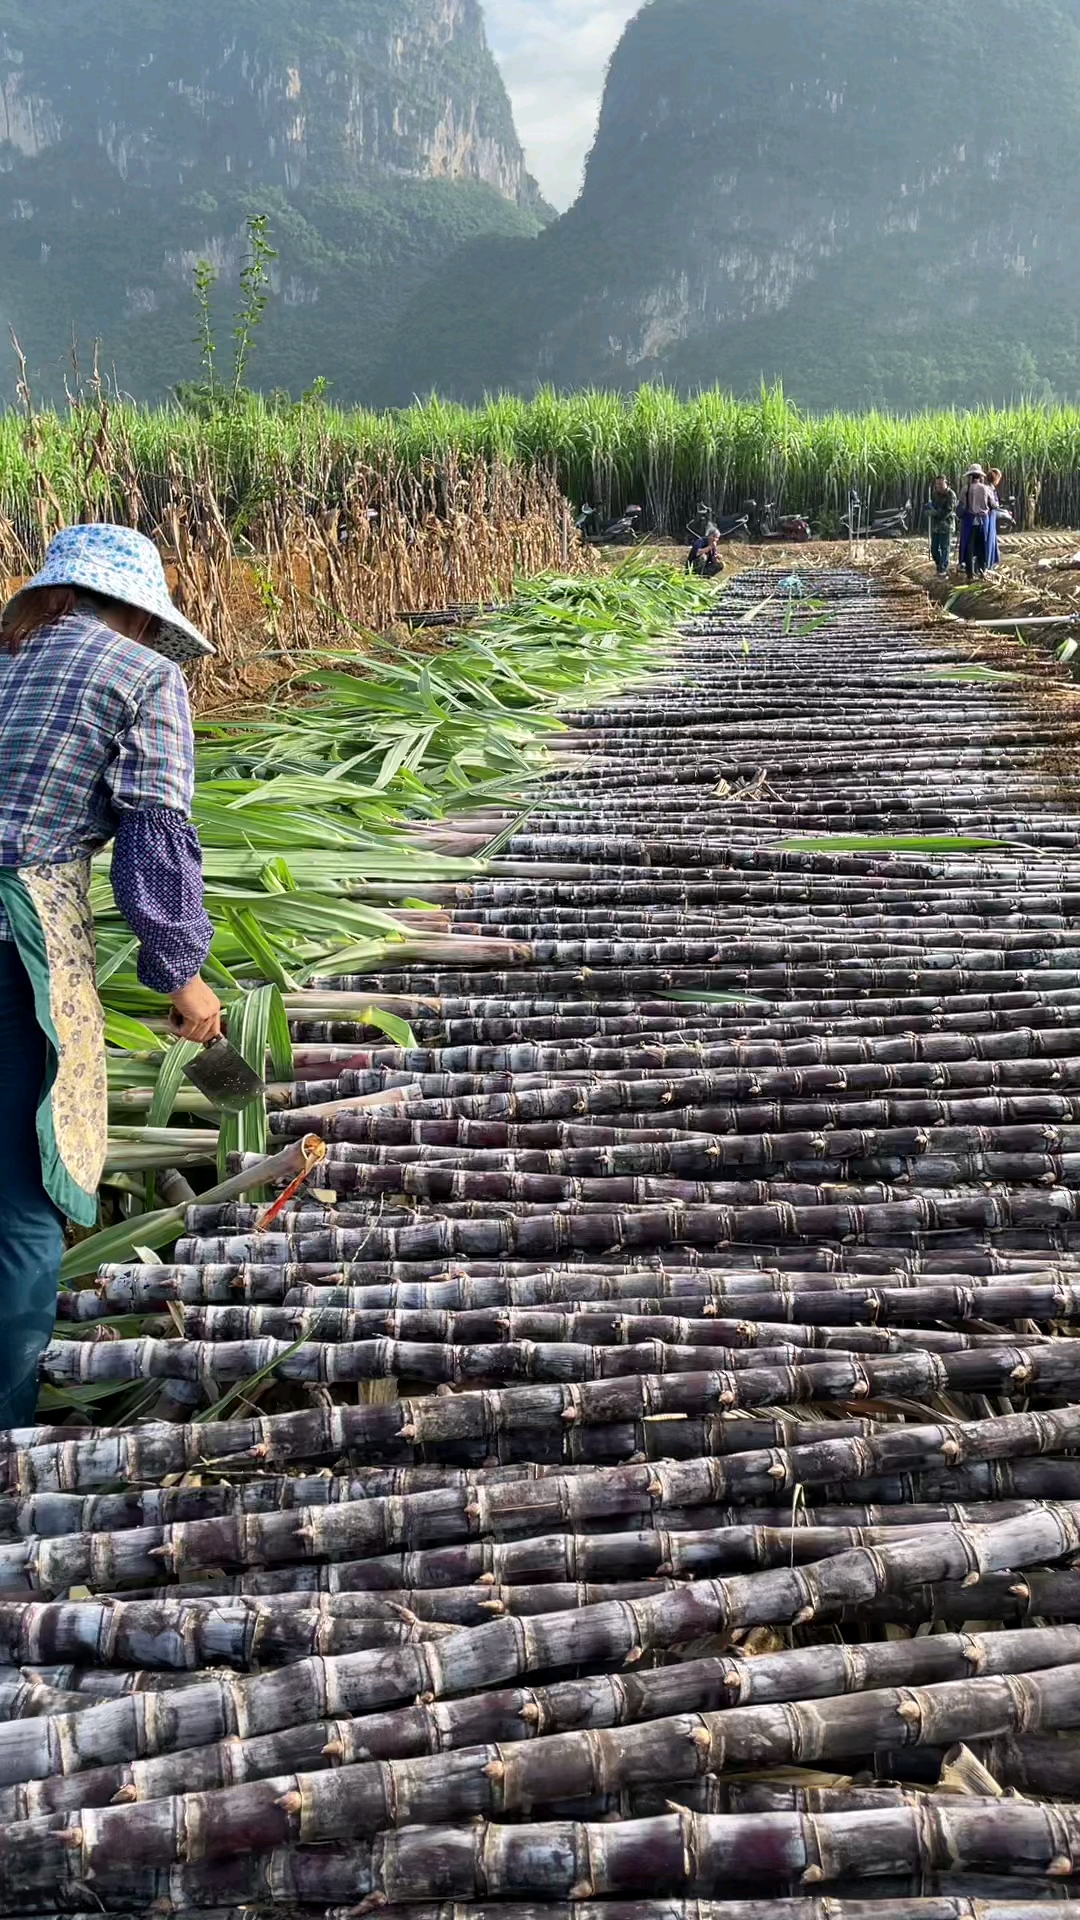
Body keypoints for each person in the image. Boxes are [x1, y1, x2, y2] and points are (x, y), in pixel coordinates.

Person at [0, 524, 222, 1426]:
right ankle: (8, 1433)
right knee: (21, 1199)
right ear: (139, 612)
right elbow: (151, 839)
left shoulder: (6, 655)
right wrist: (183, 975)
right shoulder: (143, 676)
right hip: (15, 946)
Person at [957, 466, 991, 580]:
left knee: (969, 547)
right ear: (980, 477)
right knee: (982, 546)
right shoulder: (986, 489)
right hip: (983, 521)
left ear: (970, 477)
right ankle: (981, 571)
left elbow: (962, 504)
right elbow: (993, 504)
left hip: (970, 521)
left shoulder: (965, 489)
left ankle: (970, 573)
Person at [928, 476, 957, 576]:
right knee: (934, 549)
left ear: (946, 483)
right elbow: (933, 506)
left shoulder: (951, 495)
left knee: (944, 547)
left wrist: (936, 513)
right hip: (936, 526)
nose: (938, 486)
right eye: (937, 484)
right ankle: (939, 565)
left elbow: (948, 511)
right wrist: (929, 510)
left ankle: (943, 568)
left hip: (946, 526)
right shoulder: (935, 494)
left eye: (940, 484)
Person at [985, 467, 1003, 571]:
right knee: (989, 541)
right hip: (989, 517)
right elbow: (993, 504)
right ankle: (989, 564)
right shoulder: (989, 489)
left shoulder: (989, 488)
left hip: (990, 517)